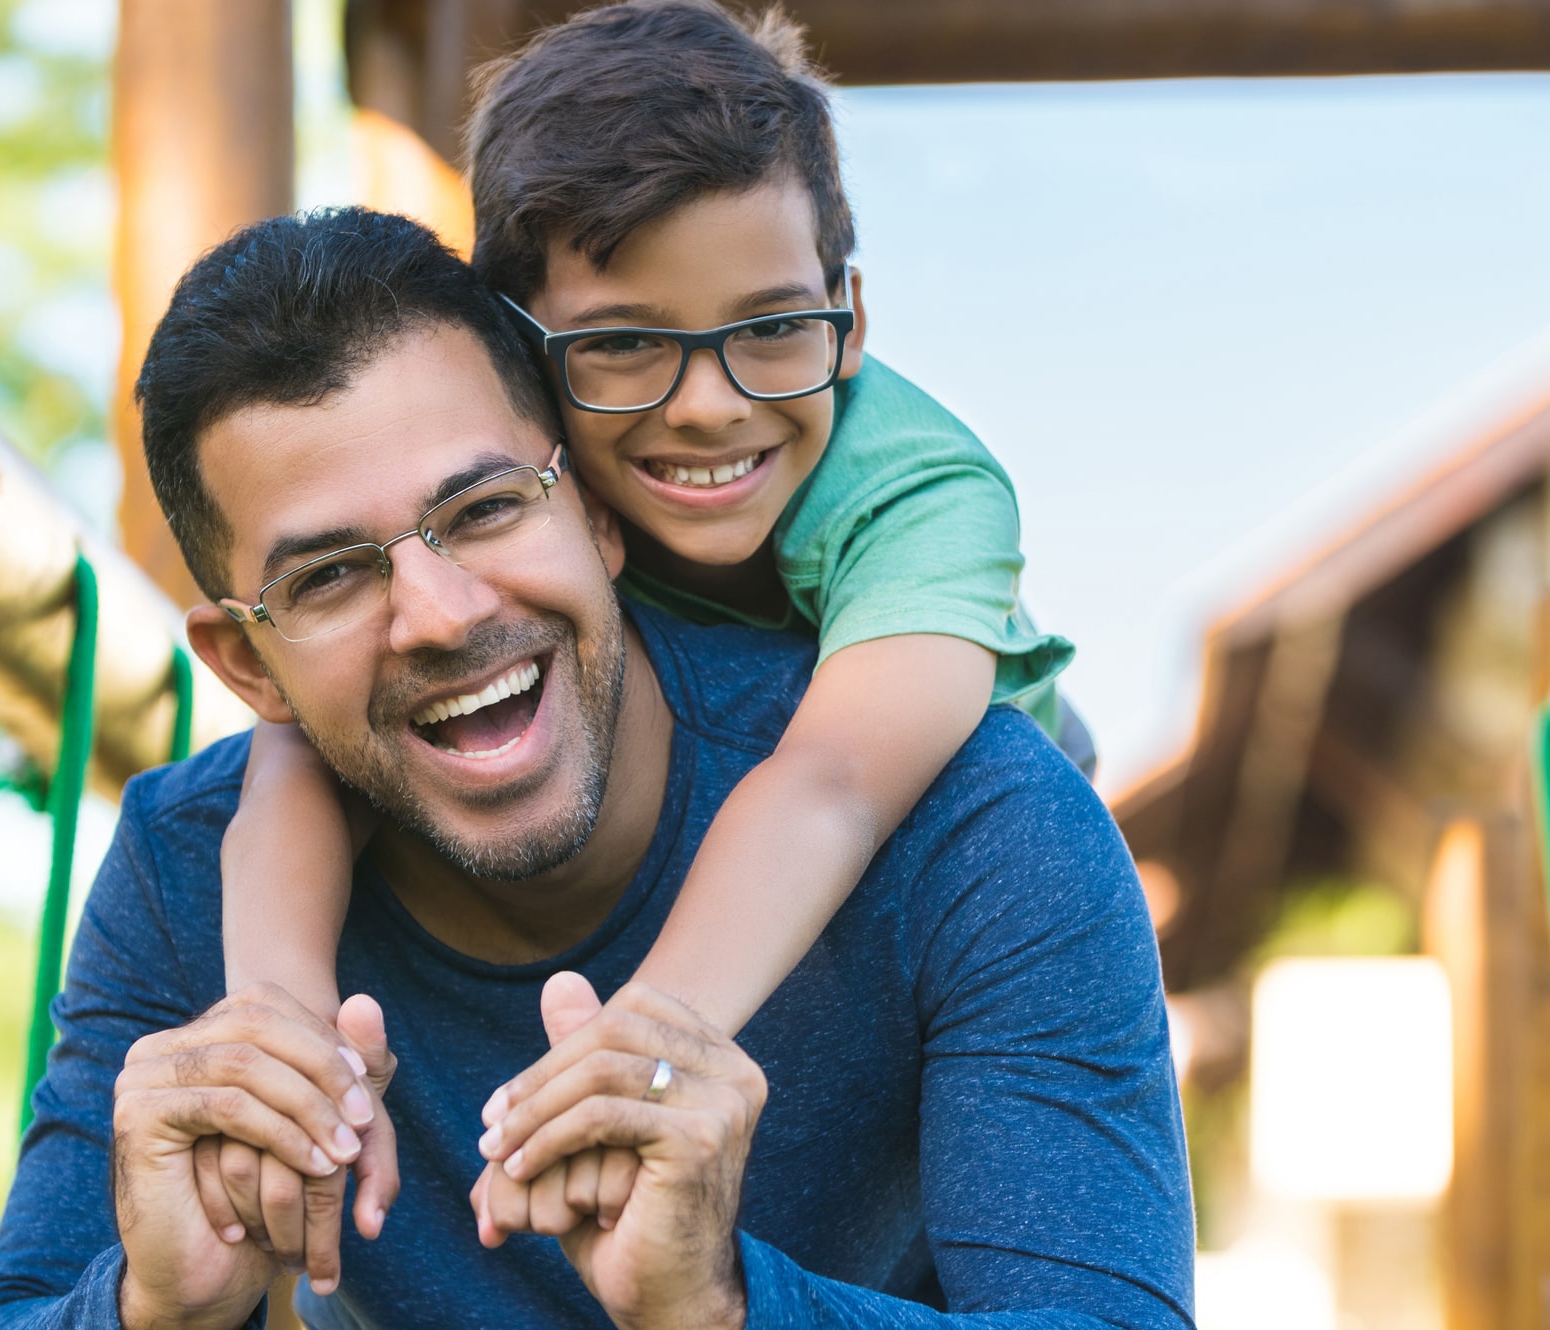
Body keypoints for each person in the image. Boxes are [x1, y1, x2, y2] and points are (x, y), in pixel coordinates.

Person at [0, 209, 1202, 1330]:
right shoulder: (185, 867)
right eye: (329, 577)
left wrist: (722, 1320)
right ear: (248, 668)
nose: (441, 613)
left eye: (485, 509)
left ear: (595, 512)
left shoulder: (973, 813)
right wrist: (157, 1318)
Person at [218, 10, 1089, 1225]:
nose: (709, 407)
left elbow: (834, 781)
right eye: (625, 344)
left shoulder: (921, 496)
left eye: (775, 328)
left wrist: (637, 1053)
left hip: (952, 831)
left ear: (850, 314)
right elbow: (296, 757)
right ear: (514, 348)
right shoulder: (514, 480)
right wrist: (282, 1029)